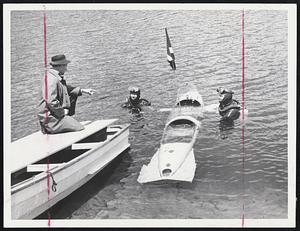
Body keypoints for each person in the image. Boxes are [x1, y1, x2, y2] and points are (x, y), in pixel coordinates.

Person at [37, 54, 94, 134]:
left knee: (76, 126)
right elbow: (51, 100)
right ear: (60, 66)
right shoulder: (51, 79)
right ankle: (50, 129)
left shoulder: (54, 76)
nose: (66, 69)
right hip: (50, 119)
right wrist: (62, 112)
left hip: (54, 116)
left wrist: (82, 90)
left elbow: (65, 88)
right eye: (65, 66)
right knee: (79, 129)